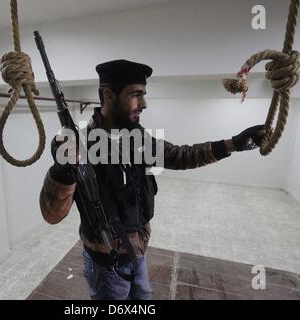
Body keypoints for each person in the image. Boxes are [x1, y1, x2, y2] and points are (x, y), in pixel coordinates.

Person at [39, 59, 265, 300]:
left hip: (137, 252)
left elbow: (181, 156)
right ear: (108, 95)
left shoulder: (137, 138)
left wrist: (234, 144)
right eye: (136, 95)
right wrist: (63, 170)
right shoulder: (79, 146)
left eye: (144, 94)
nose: (144, 104)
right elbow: (51, 214)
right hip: (106, 265)